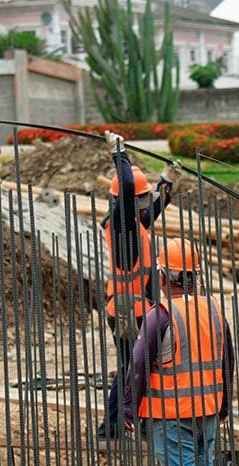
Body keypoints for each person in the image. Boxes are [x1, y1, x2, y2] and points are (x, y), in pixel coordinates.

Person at [123, 238, 235, 466]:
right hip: (207, 410)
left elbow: (138, 364)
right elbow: (227, 360)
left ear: (163, 276)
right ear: (195, 277)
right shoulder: (214, 309)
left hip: (171, 415)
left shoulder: (160, 315)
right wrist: (224, 404)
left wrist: (129, 408)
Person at [98, 130, 182, 439]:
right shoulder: (122, 228)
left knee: (136, 367)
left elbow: (154, 209)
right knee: (132, 369)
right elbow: (130, 189)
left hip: (132, 309)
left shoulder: (134, 225)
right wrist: (119, 153)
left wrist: (166, 181)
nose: (146, 206)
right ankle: (114, 426)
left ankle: (124, 424)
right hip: (126, 311)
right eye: (140, 199)